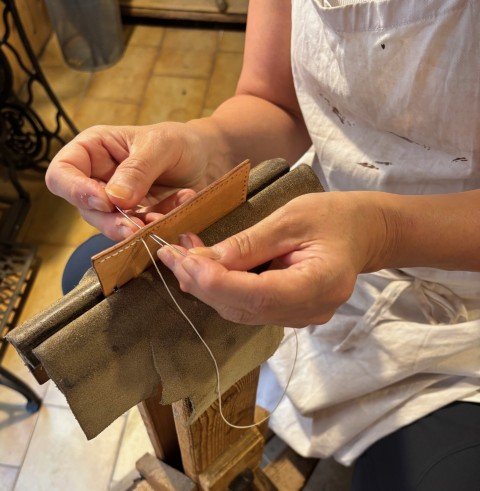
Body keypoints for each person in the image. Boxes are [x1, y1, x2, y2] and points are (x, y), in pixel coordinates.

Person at [47, 1, 480, 489]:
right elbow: (276, 103)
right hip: (317, 215)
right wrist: (204, 146)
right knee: (94, 289)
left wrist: (381, 232)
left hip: (463, 298)